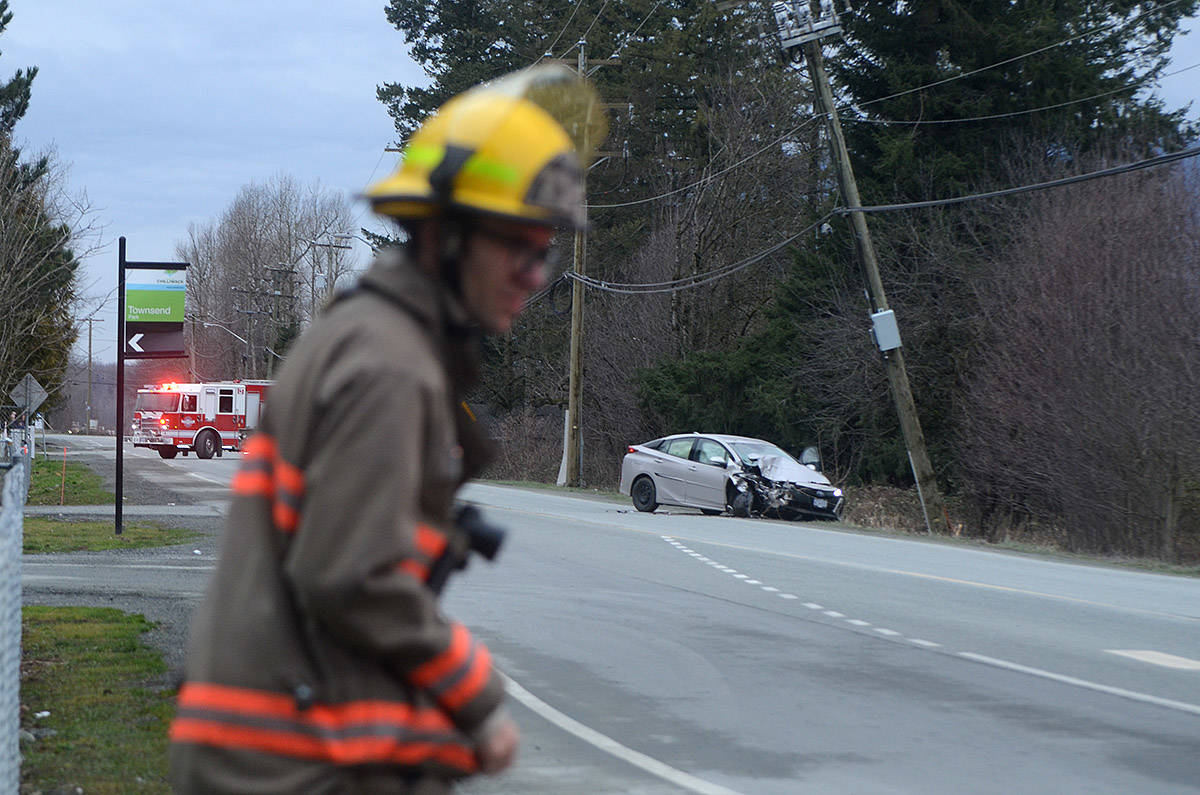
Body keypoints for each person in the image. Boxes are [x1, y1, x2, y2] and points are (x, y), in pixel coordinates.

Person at [169, 66, 603, 793]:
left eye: (547, 250)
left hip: (276, 752)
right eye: (520, 245)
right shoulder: (390, 365)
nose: (536, 275)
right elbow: (352, 574)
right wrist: (478, 699)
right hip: (290, 764)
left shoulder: (370, 337)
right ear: (448, 239)